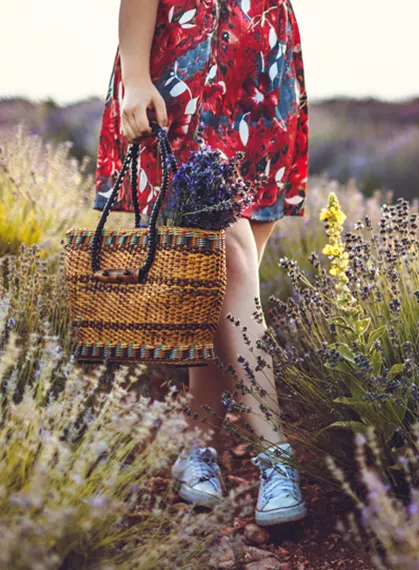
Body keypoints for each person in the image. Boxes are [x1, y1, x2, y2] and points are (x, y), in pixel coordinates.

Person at [94, 0, 309, 526]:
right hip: (186, 75)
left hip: (263, 67)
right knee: (229, 258)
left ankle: (199, 448)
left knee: (224, 290)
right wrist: (136, 76)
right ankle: (275, 456)